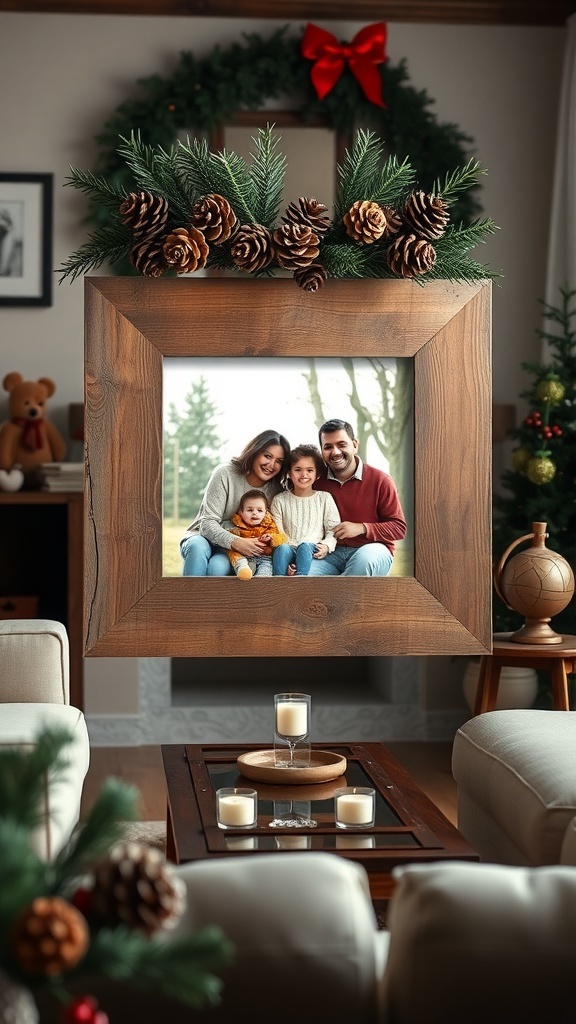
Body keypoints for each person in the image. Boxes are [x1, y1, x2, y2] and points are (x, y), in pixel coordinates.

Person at [180, 429, 290, 576]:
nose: (271, 464)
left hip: (238, 552)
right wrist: (236, 541)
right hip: (204, 538)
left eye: (279, 461)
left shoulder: (277, 489)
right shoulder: (225, 473)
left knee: (216, 568)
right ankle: (188, 599)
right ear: (255, 452)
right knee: (196, 547)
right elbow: (207, 523)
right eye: (267, 456)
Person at [309, 418, 406, 577]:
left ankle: (344, 598)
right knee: (304, 573)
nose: (335, 452)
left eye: (341, 444)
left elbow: (398, 528)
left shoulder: (380, 480)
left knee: (363, 564)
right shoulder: (316, 483)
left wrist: (362, 528)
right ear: (322, 452)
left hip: (371, 549)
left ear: (354, 445)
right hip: (329, 553)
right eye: (328, 447)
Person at [271, 444, 340, 577]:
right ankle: (277, 586)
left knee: (304, 547)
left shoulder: (324, 498)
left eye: (309, 470)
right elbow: (277, 532)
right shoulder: (279, 500)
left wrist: (326, 546)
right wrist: (291, 562)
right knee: (282, 548)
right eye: (298, 469)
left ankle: (301, 581)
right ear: (289, 473)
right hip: (287, 548)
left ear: (317, 474)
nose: (304, 475)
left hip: (312, 549)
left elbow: (333, 529)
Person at [226, 489, 287, 580]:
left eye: (260, 510)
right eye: (250, 510)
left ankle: (261, 580)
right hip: (244, 558)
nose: (255, 513)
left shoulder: (269, 525)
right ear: (240, 512)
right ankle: (242, 568)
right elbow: (229, 541)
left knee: (264, 575)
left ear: (266, 512)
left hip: (265, 559)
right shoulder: (237, 527)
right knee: (233, 550)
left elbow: (282, 538)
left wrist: (271, 538)